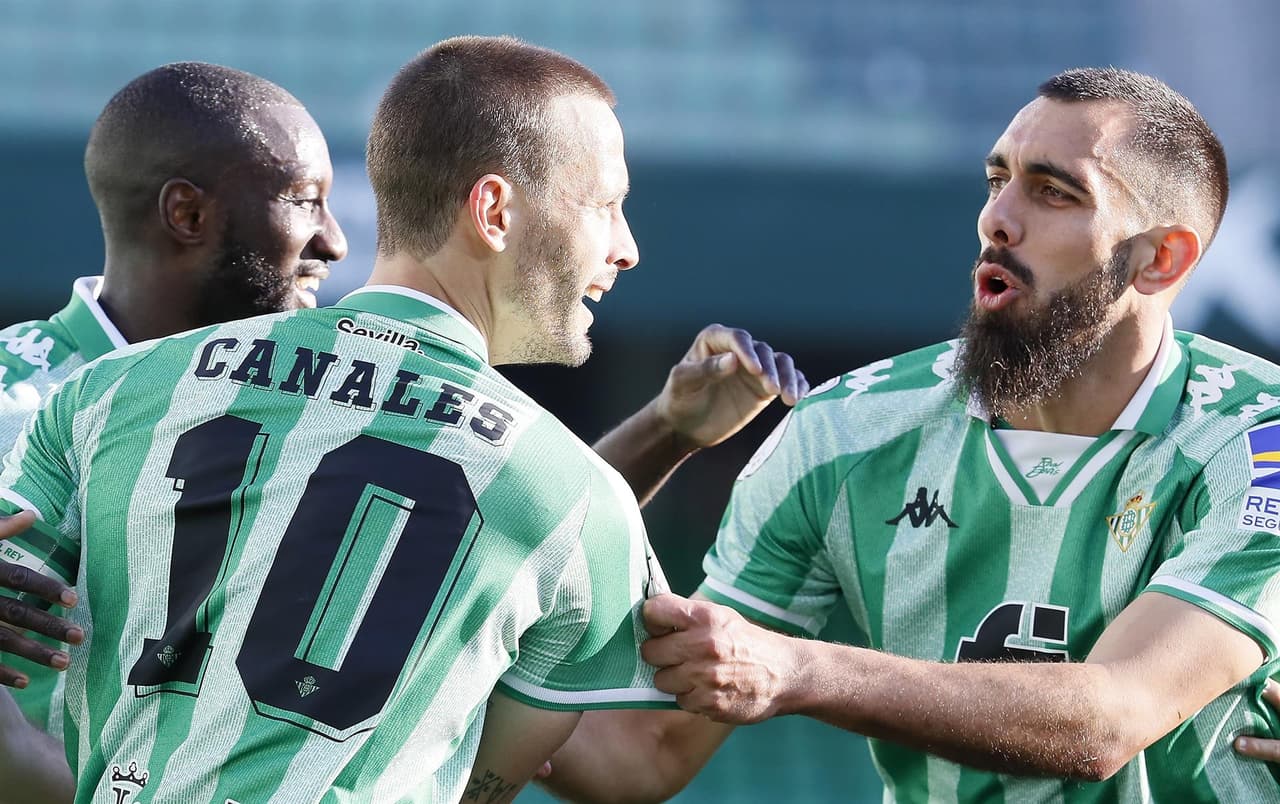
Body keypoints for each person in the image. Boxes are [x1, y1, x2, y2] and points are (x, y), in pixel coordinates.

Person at [0, 36, 805, 803]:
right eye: (607, 207)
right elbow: (549, 766)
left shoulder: (109, 391)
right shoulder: (579, 496)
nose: (626, 248)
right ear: (493, 210)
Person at [543, 67, 1280, 802]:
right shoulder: (839, 432)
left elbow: (1109, 721)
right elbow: (642, 755)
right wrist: (469, 679)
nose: (998, 218)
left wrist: (800, 669)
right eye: (998, 179)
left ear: (1161, 260)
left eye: (1055, 192)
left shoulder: (1257, 435)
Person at [0, 60, 348, 795]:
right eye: (306, 201)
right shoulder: (16, 402)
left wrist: (661, 426)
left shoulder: (309, 412)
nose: (333, 243)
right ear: (187, 215)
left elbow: (508, 531)